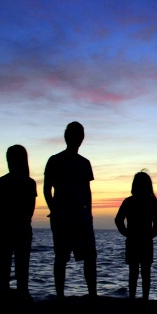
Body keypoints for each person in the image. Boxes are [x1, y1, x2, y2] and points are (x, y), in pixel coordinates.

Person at [44, 121, 97, 299]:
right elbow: (47, 189)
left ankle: (92, 294)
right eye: (75, 135)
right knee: (61, 256)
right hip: (63, 216)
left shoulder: (84, 163)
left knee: (89, 256)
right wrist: (54, 210)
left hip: (80, 216)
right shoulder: (54, 160)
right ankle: (60, 296)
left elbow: (87, 191)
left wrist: (88, 214)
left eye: (79, 136)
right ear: (67, 137)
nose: (77, 139)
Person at [0, 145, 37, 299]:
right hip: (21, 227)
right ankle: (21, 296)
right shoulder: (29, 183)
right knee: (21, 266)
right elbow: (29, 210)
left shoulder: (2, 182)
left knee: (4, 265)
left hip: (7, 227)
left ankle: (5, 296)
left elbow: (2, 208)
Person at [115, 170, 157, 301]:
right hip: (144, 240)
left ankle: (133, 299)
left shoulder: (129, 201)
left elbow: (118, 220)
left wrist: (126, 232)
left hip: (134, 240)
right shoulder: (151, 202)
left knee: (134, 272)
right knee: (145, 272)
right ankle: (145, 299)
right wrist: (152, 234)